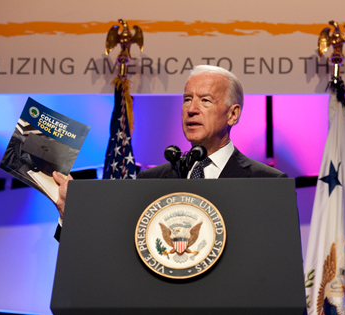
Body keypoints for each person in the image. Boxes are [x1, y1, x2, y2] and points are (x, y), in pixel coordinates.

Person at [53, 65, 287, 240]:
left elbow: (277, 262)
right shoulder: (152, 180)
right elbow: (119, 246)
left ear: (233, 114)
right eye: (187, 99)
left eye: (205, 100)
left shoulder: (266, 182)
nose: (192, 109)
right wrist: (73, 213)